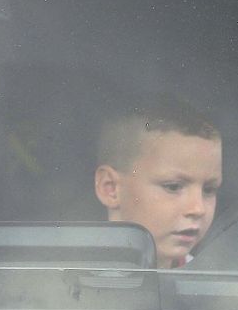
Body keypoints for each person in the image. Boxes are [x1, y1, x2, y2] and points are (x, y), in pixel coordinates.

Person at [93, 98, 222, 269]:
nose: (198, 209)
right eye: (173, 187)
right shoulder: (61, 280)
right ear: (110, 189)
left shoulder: (214, 285)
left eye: (208, 190)